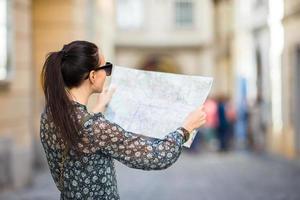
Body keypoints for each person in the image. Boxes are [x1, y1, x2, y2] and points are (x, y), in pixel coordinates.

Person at [39, 40, 207, 200]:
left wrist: (100, 107)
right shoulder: (97, 129)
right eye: (106, 67)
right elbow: (156, 156)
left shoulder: (49, 115)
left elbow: (82, 136)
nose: (107, 73)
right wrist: (185, 128)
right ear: (92, 76)